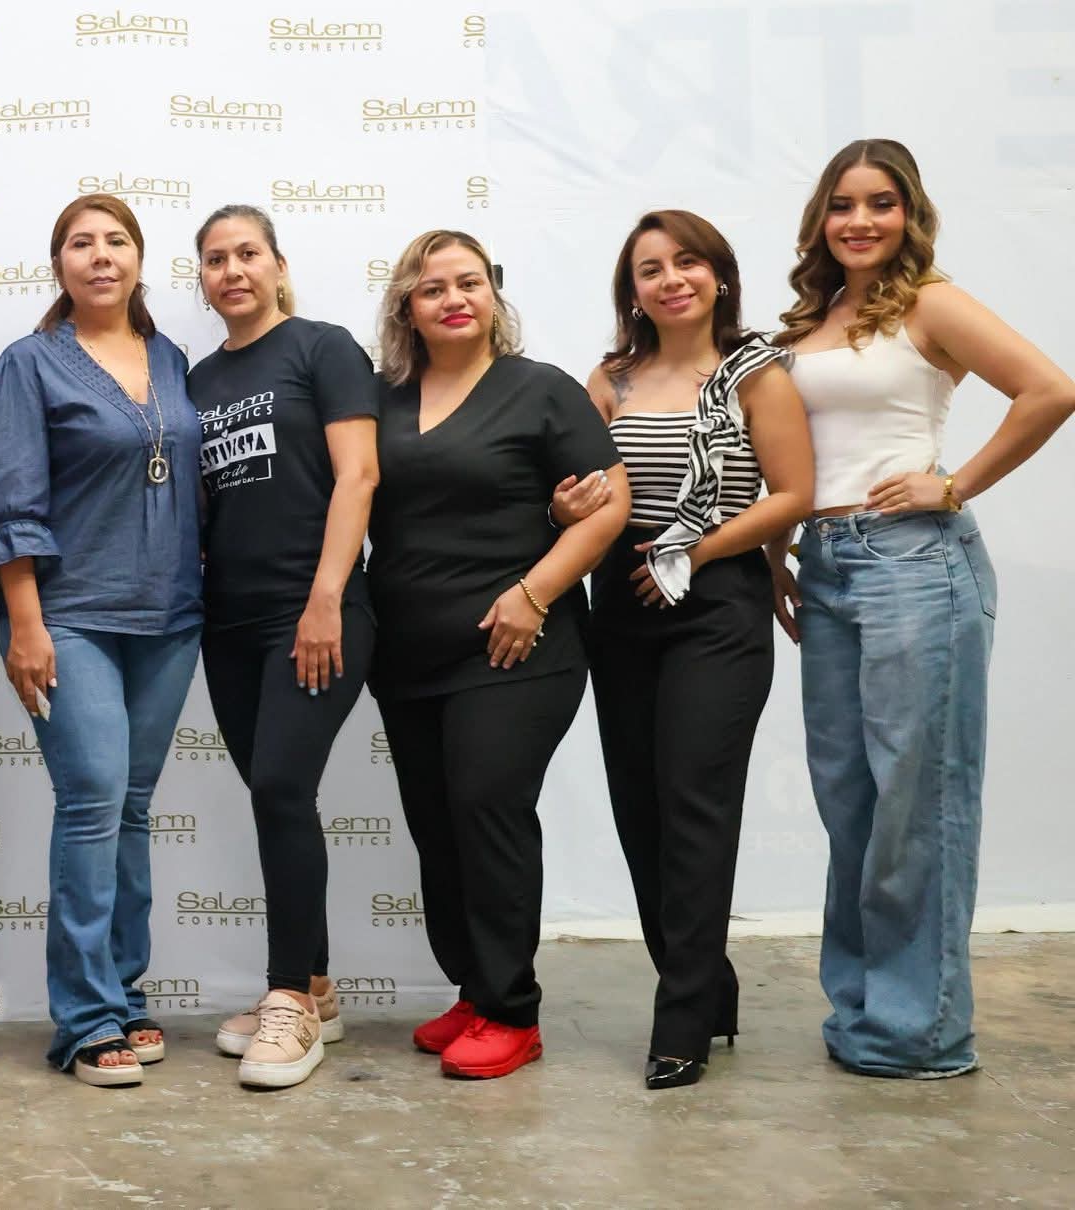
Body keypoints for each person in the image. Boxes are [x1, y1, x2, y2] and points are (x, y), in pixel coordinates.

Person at [769, 139, 1075, 1079]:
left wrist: (955, 483)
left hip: (913, 565)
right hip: (826, 567)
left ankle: (922, 1031)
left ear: (910, 215)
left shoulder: (929, 304)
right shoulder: (812, 318)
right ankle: (864, 1009)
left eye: (883, 203)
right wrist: (781, 548)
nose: (861, 220)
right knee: (851, 800)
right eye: (844, 204)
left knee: (917, 798)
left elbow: (1050, 389)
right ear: (821, 218)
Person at [367, 229, 629, 1080]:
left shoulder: (541, 391)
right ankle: (476, 991)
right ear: (408, 304)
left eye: (470, 282)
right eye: (433, 286)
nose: (454, 298)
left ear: (493, 294)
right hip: (406, 656)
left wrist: (533, 595)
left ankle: (514, 1010)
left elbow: (606, 507)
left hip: (520, 648)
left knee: (486, 808)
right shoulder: (382, 397)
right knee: (436, 826)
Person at [577, 210, 814, 1089]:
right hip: (621, 604)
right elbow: (570, 480)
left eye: (687, 262)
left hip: (716, 604)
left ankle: (679, 1025)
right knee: (639, 810)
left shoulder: (756, 373)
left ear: (719, 275)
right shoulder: (609, 379)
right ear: (630, 288)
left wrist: (696, 549)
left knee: (693, 809)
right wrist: (570, 511)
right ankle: (707, 983)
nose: (670, 278)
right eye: (650, 268)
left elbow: (793, 492)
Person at [0, 194, 202, 1087]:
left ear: (140, 260)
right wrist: (25, 624)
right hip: (69, 617)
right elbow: (11, 500)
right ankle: (82, 1020)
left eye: (116, 241)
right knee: (92, 802)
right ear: (59, 264)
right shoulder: (28, 364)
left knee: (133, 807)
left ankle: (123, 991)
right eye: (81, 242)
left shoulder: (175, 360)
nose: (100, 256)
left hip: (171, 618)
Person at [183, 205, 377, 1088]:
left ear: (278, 264)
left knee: (281, 785)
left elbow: (359, 474)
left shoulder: (323, 348)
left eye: (247, 254)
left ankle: (287, 1001)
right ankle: (320, 986)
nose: (233, 271)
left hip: (315, 612)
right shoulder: (194, 380)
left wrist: (326, 597)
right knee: (276, 798)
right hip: (228, 624)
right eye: (216, 259)